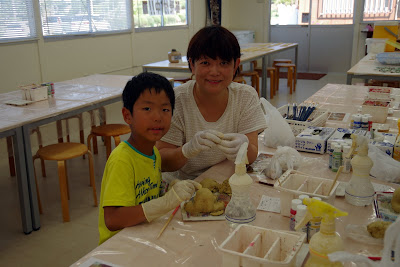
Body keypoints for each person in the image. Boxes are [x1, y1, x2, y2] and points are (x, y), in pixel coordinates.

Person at [98, 72, 201, 245]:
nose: (157, 117)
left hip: (143, 235)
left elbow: (146, 194)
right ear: (127, 115)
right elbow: (113, 219)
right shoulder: (122, 160)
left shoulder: (152, 153)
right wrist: (166, 202)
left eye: (165, 109)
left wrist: (169, 190)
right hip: (119, 246)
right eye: (147, 109)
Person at [156, 25, 267, 180]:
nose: (214, 72)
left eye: (224, 63)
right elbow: (162, 161)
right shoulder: (176, 100)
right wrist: (186, 150)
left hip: (229, 177)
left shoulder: (245, 96)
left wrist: (244, 147)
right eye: (205, 63)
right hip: (186, 184)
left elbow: (252, 155)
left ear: (236, 65)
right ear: (192, 65)